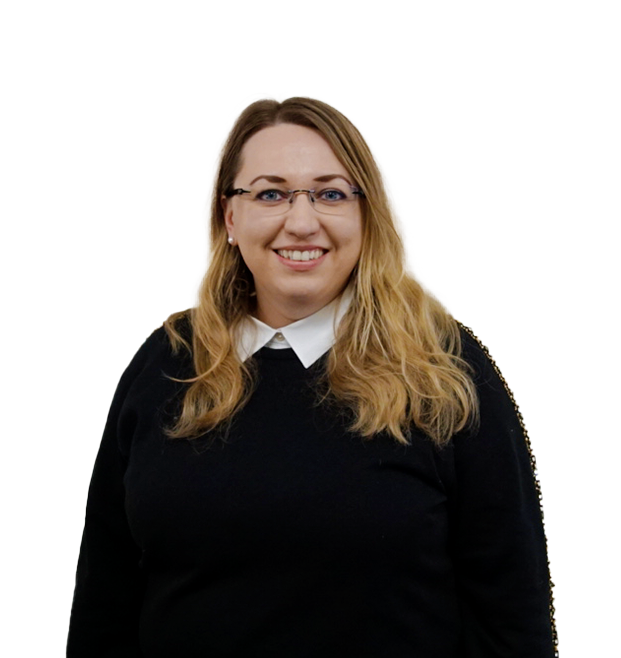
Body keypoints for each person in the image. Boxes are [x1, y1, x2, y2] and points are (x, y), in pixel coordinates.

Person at [67, 98, 558, 657]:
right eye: (270, 194)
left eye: (331, 194)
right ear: (230, 218)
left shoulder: (445, 369)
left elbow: (513, 618)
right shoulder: (167, 363)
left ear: (366, 216)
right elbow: (104, 604)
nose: (301, 222)